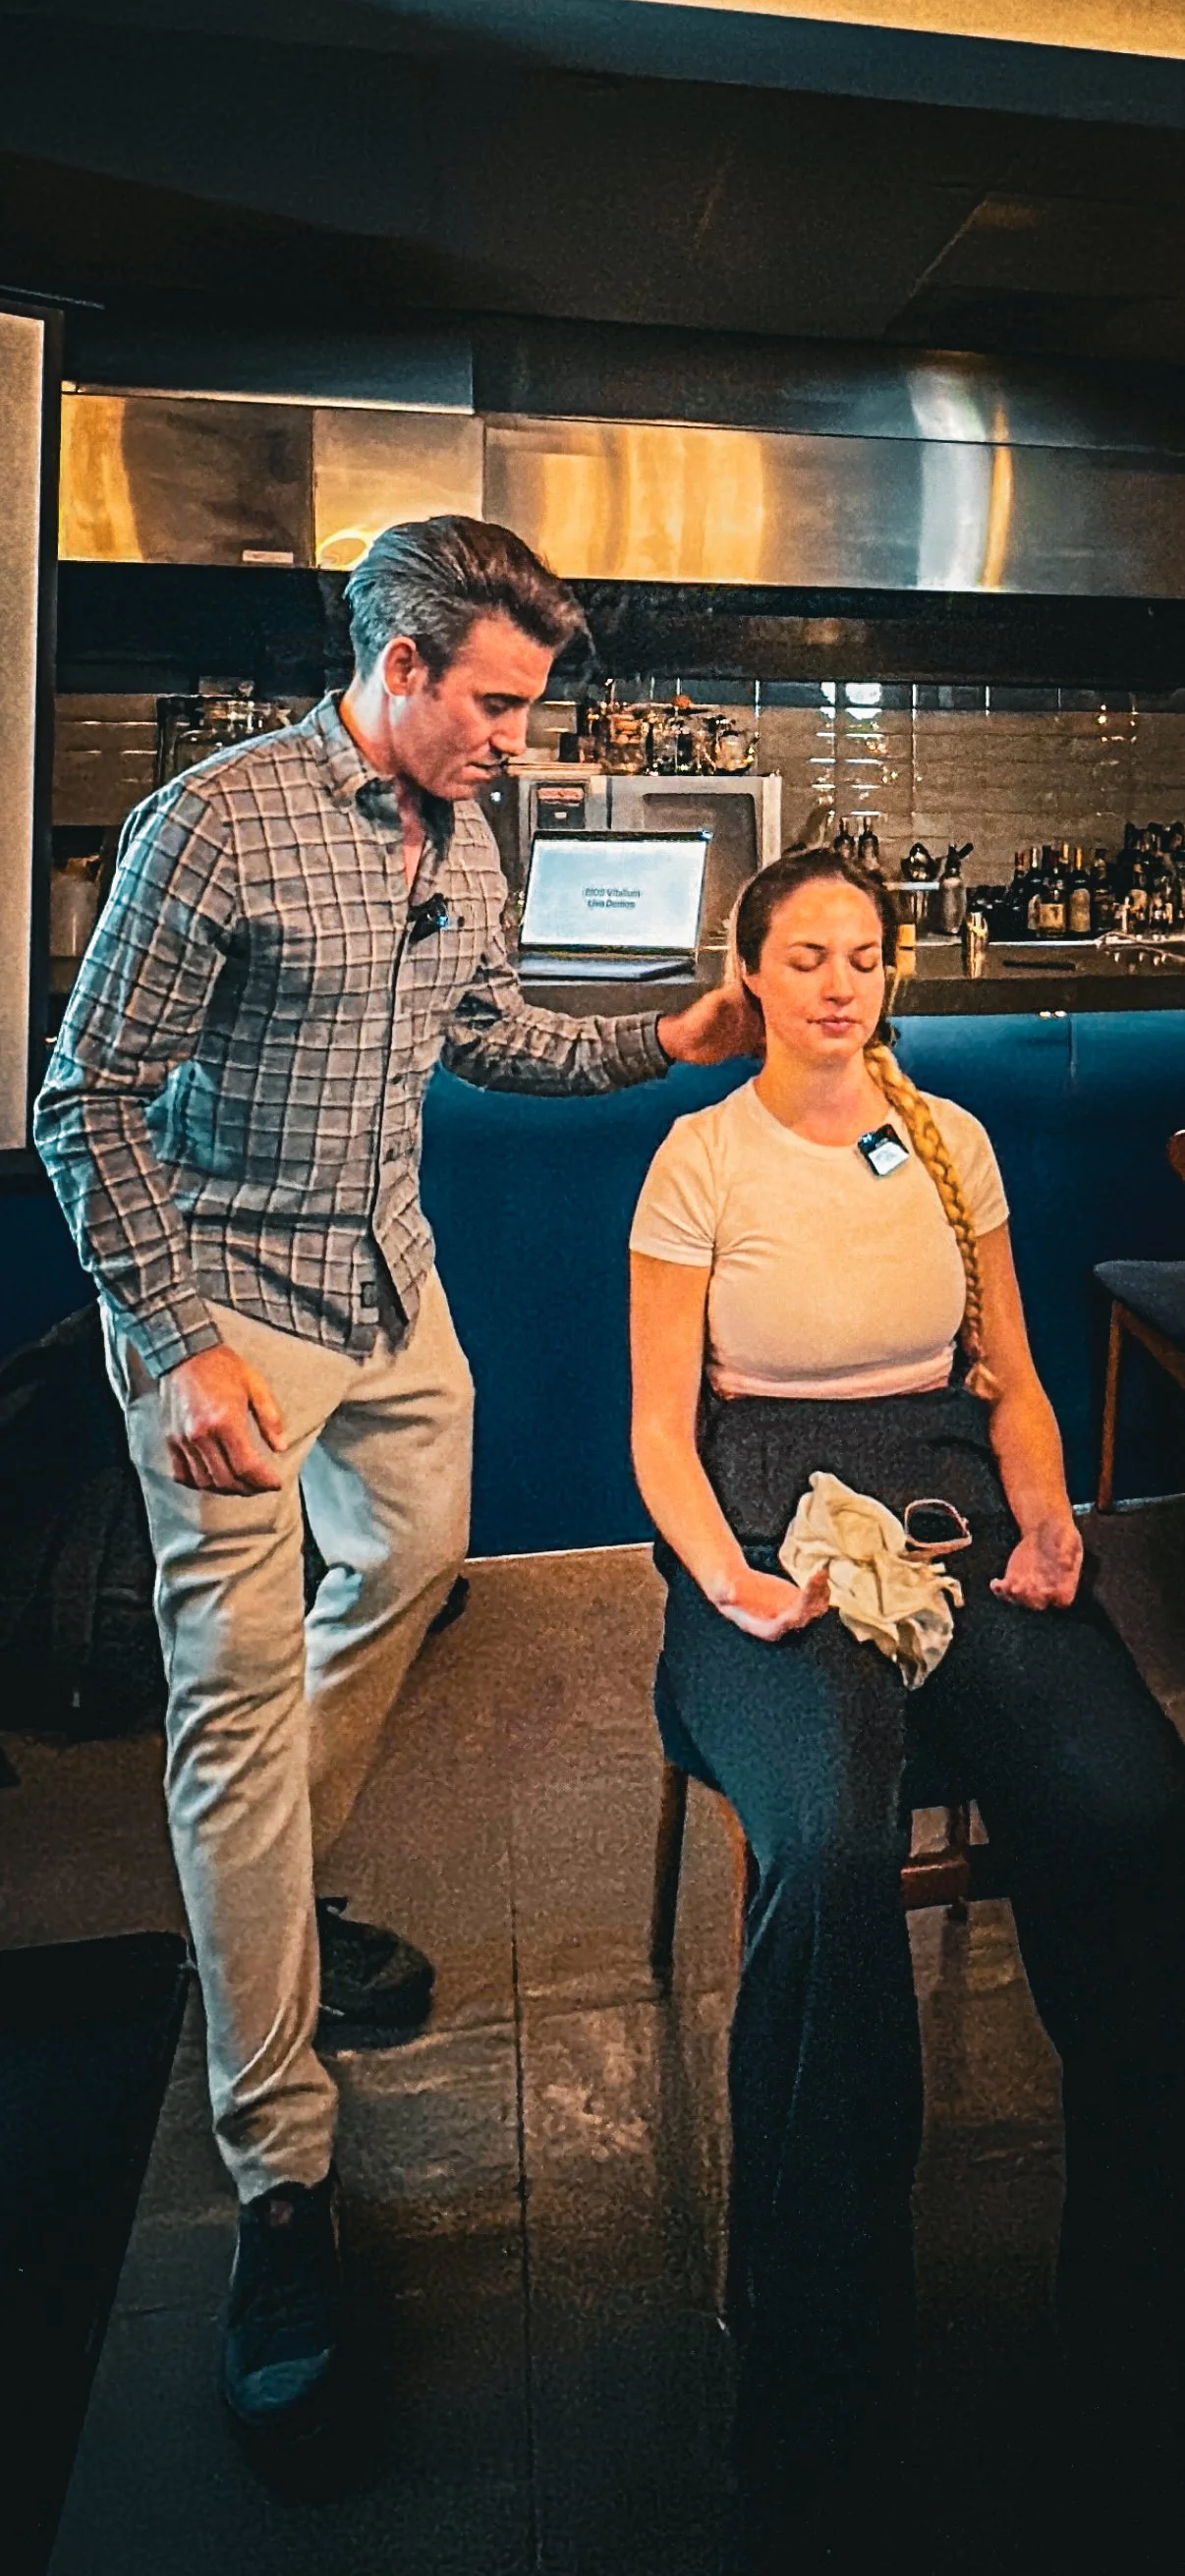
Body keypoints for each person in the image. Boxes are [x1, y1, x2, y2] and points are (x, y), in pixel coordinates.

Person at [34, 515, 759, 2435]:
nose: (520, 735)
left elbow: (491, 1037)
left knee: (415, 1559)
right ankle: (281, 2167)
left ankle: (270, 1892)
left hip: (391, 1294)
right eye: (499, 701)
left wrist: (667, 1040)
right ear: (406, 663)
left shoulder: (468, 826)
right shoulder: (224, 822)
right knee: (235, 1715)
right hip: (234, 1318)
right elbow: (80, 1098)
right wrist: (174, 1342)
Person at [628, 847, 1185, 2554]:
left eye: (862, 955)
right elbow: (658, 1424)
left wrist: (1045, 1507)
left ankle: (1134, 2298)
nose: (838, 983)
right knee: (822, 1841)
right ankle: (818, 2355)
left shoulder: (949, 1139)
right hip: (763, 1506)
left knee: (1131, 1800)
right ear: (750, 969)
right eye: (803, 955)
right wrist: (727, 1577)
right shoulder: (695, 1156)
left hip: (946, 1488)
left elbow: (1011, 1373)